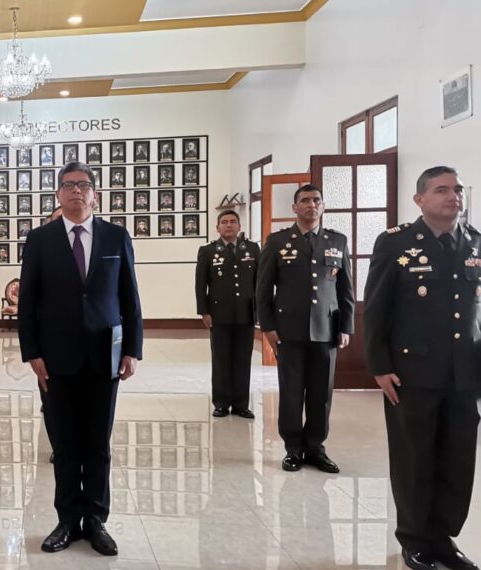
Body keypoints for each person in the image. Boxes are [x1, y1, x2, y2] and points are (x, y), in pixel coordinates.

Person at [19, 162, 143, 556]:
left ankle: (96, 520)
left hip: (105, 356)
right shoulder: (40, 239)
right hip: (56, 357)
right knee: (65, 442)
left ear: (95, 195)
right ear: (58, 194)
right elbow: (27, 301)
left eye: (84, 185)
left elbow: (129, 297)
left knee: (98, 443)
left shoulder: (115, 236)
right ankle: (68, 520)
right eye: (69, 185)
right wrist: (32, 353)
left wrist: (132, 349)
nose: (76, 191)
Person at [363, 166, 480, 570]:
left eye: (457, 189)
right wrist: (379, 365)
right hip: (412, 372)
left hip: (464, 375)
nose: (453, 196)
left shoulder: (474, 242)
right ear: (420, 199)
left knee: (457, 460)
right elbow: (376, 309)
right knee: (414, 459)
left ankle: (443, 539)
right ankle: (414, 540)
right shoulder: (396, 243)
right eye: (442, 190)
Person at [256, 184, 353, 474]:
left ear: (323, 206)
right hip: (289, 329)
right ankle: (293, 449)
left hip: (326, 329)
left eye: (316, 200)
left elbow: (345, 288)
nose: (312, 205)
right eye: (305, 201)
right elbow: (263, 289)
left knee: (322, 394)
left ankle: (315, 447)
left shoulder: (337, 240)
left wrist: (346, 326)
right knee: (291, 392)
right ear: (295, 207)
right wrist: (268, 327)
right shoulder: (277, 241)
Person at [195, 211, 258, 419]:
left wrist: (259, 311)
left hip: (246, 314)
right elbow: (200, 284)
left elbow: (259, 282)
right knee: (221, 360)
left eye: (233, 222)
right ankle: (221, 403)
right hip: (219, 314)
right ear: (217, 228)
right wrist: (204, 311)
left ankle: (241, 404)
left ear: (239, 226)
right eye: (224, 222)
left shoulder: (252, 249)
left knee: (243, 360)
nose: (228, 225)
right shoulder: (208, 251)